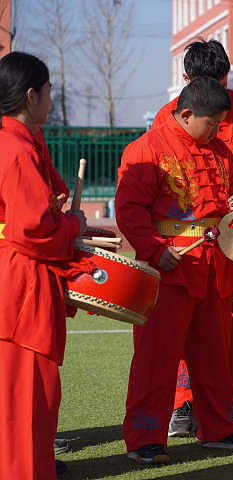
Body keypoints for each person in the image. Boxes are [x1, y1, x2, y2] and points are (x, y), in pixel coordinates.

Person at [116, 76, 233, 464]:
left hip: (215, 265)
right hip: (170, 266)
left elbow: (230, 201)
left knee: (215, 354)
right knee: (156, 357)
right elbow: (129, 211)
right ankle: (146, 437)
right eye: (212, 124)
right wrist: (153, 249)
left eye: (220, 124)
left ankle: (221, 428)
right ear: (185, 114)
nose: (217, 131)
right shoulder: (145, 150)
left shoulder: (219, 150)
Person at [152, 39, 233, 435]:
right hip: (188, 243)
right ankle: (183, 403)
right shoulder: (165, 117)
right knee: (187, 324)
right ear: (186, 81)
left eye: (221, 83)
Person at [0, 51, 87, 479]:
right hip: (22, 283)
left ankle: (32, 466)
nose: (52, 99)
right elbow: (31, 229)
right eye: (49, 91)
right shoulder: (15, 148)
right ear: (31, 95)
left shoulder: (22, 140)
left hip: (17, 276)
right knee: (26, 391)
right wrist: (71, 225)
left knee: (31, 392)